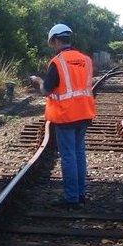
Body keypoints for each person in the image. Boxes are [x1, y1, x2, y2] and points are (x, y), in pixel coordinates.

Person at [30, 24, 95, 210]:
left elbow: (46, 90)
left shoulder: (58, 62)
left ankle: (71, 197)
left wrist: (38, 81)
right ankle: (80, 193)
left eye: (52, 42)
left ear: (55, 40)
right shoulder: (86, 60)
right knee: (79, 153)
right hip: (84, 113)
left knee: (68, 156)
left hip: (66, 115)